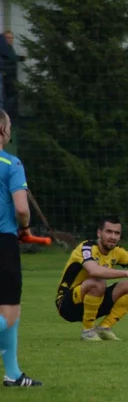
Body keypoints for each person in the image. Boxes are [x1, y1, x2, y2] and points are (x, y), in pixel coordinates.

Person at [55, 216, 128, 341]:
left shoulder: (117, 251)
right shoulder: (86, 248)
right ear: (99, 233)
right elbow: (94, 271)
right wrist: (126, 273)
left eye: (117, 233)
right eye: (109, 232)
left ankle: (104, 328)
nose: (113, 237)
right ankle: (87, 331)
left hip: (93, 302)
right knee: (97, 281)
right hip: (68, 304)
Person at [0, 110, 40, 386]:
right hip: (3, 242)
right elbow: (22, 210)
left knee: (9, 311)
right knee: (9, 312)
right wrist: (24, 228)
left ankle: (13, 373)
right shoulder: (11, 163)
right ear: (2, 131)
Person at [1, 31, 23, 116]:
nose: (10, 39)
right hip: (6, 75)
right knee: (7, 96)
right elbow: (11, 57)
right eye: (8, 37)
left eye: (11, 37)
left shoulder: (10, 48)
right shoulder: (4, 48)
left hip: (11, 75)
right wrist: (20, 58)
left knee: (12, 95)